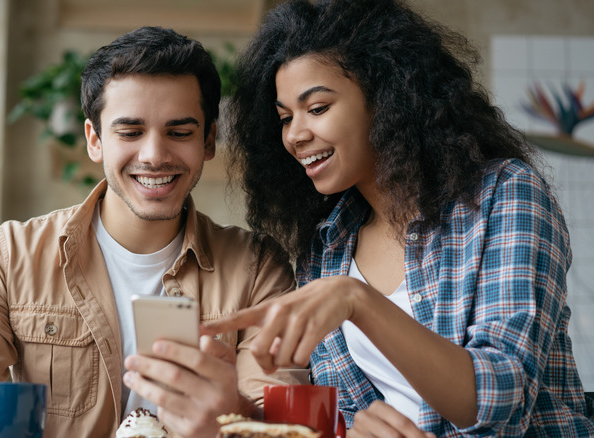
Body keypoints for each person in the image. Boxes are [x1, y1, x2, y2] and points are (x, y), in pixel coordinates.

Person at [0, 26, 306, 438]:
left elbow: (284, 420)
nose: (155, 155)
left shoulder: (257, 268)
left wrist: (231, 414)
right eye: (130, 132)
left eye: (180, 133)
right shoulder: (9, 254)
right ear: (94, 139)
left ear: (209, 140)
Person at [202, 0, 594, 436]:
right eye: (284, 117)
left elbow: (502, 399)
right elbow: (345, 416)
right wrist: (238, 404)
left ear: (386, 96)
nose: (295, 135)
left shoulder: (504, 195)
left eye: (317, 108)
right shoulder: (327, 248)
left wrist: (359, 301)